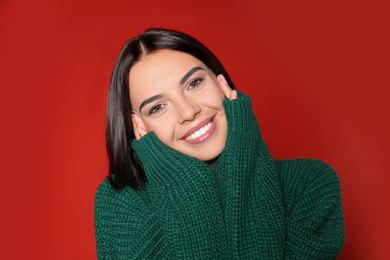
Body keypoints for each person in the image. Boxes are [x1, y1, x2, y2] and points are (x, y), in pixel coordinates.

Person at [94, 28, 345, 259]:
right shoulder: (122, 204)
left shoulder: (309, 184)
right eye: (158, 107)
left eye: (194, 83)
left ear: (220, 81)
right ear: (138, 127)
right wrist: (186, 184)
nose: (188, 112)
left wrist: (242, 159)